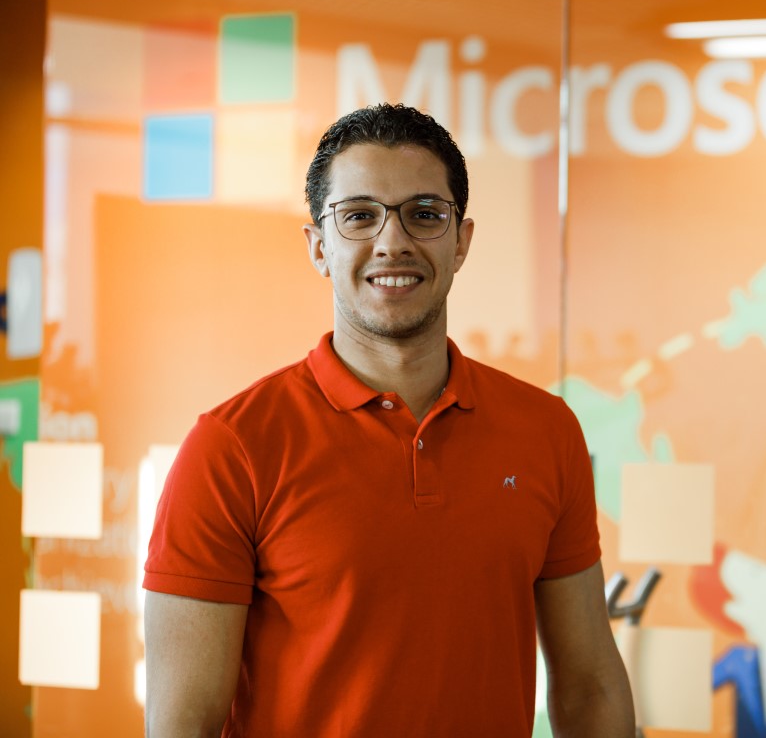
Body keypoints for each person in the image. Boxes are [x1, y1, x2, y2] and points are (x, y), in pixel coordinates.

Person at [143, 103, 636, 737]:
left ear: (461, 242)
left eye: (424, 215)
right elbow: (183, 724)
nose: (392, 241)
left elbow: (590, 685)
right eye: (359, 216)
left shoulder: (546, 430)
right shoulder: (232, 447)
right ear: (319, 246)